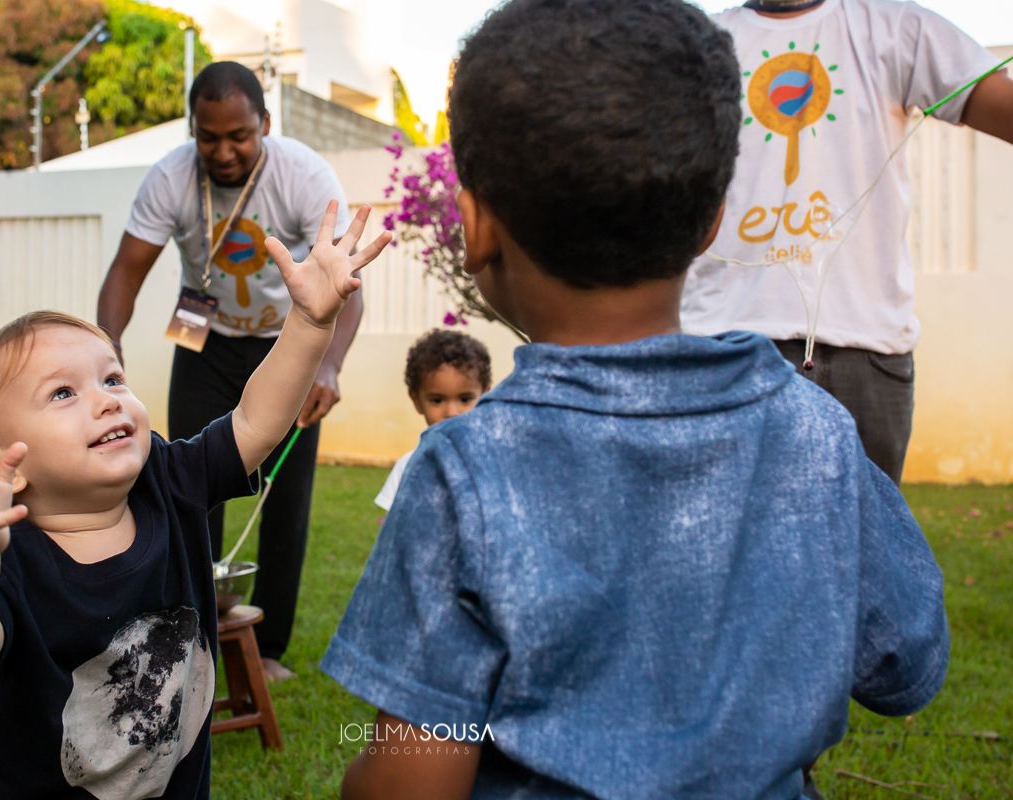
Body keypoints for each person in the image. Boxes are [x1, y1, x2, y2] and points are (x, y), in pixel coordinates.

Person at [319, 2, 949, 798]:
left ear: (473, 228)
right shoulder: (817, 430)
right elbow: (906, 668)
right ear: (715, 219)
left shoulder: (462, 470)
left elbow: (412, 784)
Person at [0, 203, 390, 799]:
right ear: (0, 469)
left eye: (112, 378)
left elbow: (254, 422)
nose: (107, 399)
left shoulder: (168, 479)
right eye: (63, 392)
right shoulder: (10, 557)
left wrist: (309, 323)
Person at [98, 61, 360, 682]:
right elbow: (126, 271)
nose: (223, 150)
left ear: (264, 124)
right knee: (189, 487)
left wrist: (330, 365)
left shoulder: (303, 176)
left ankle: (268, 650)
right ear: (193, 131)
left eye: (238, 135)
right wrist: (105, 352)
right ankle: (194, 637)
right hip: (203, 340)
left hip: (288, 346)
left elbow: (345, 284)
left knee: (284, 495)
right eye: (208, 136)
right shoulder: (169, 178)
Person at [681, 0, 1013, 485]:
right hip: (722, 346)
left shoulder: (896, 26)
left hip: (868, 358)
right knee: (731, 554)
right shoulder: (695, 46)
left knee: (865, 554)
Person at [374, 330, 491, 514]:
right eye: (437, 400)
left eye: (465, 399)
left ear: (484, 396)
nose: (452, 413)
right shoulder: (409, 466)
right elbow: (394, 533)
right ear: (417, 401)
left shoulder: (493, 462)